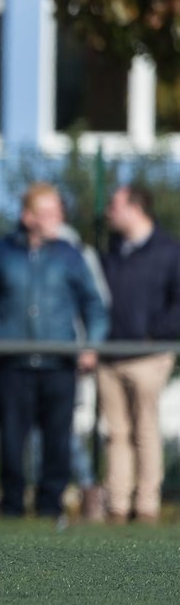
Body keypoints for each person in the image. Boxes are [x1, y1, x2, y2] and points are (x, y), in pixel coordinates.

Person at [0, 182, 107, 519]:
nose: (56, 218)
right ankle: (12, 508)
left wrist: (91, 345)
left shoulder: (70, 255)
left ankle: (51, 508)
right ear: (28, 216)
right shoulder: (1, 253)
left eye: (58, 212)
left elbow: (94, 304)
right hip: (13, 363)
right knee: (13, 441)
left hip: (59, 364)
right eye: (48, 212)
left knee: (58, 442)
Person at [98, 184, 180, 524]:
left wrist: (155, 333)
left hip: (150, 355)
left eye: (114, 205)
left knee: (145, 430)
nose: (108, 212)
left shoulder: (169, 251)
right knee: (115, 433)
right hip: (110, 355)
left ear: (135, 208)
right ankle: (117, 506)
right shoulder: (111, 251)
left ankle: (146, 505)